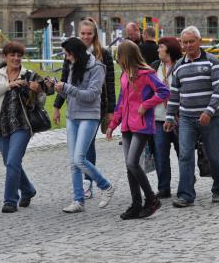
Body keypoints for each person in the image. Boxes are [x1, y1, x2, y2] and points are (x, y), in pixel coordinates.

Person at [0, 42, 54, 213]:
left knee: (13, 161)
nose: (16, 58)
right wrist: (9, 85)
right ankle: (28, 189)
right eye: (12, 55)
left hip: (22, 126)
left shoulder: (28, 75)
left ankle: (10, 200)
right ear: (5, 57)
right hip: (1, 126)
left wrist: (40, 89)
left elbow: (47, 91)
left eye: (19, 55)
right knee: (9, 163)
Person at [106, 40, 170, 220]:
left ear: (126, 56)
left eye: (119, 56)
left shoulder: (147, 74)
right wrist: (112, 126)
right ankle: (135, 204)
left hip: (142, 126)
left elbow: (164, 91)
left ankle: (151, 199)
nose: (117, 60)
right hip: (126, 125)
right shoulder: (125, 75)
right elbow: (121, 103)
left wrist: (146, 104)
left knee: (133, 163)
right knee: (129, 166)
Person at [53, 18, 116, 199]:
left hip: (95, 107)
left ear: (95, 34)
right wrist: (57, 105)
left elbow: (109, 84)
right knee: (79, 153)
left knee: (87, 147)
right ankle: (81, 192)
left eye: (89, 33)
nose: (86, 36)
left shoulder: (102, 55)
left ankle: (90, 182)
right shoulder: (71, 53)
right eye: (83, 33)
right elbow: (65, 81)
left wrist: (111, 109)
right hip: (74, 108)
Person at [164, 26, 219, 207]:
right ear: (181, 44)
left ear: (200, 42)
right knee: (185, 156)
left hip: (211, 118)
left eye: (192, 41)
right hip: (186, 119)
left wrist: (208, 111)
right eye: (185, 42)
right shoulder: (178, 66)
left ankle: (218, 189)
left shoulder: (212, 62)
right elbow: (174, 94)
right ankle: (186, 195)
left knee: (215, 156)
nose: (189, 45)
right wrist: (169, 117)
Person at [151, 36, 182, 199]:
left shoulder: (181, 66)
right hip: (158, 118)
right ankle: (163, 188)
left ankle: (187, 181)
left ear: (169, 49)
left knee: (182, 152)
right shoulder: (155, 67)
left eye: (160, 46)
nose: (158, 49)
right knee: (160, 153)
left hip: (178, 117)